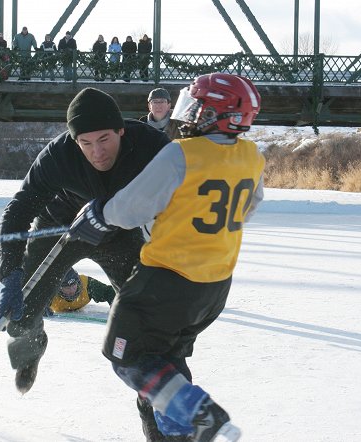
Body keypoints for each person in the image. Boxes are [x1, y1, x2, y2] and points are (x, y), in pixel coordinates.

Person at [66, 73, 265, 442]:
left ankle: (197, 413)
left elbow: (129, 208)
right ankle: (175, 436)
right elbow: (249, 207)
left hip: (164, 282)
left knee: (125, 355)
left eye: (195, 106)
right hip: (214, 289)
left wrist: (97, 215)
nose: (187, 114)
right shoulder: (251, 157)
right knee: (165, 361)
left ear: (211, 113)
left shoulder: (182, 153)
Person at [0, 88, 170, 411]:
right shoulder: (58, 156)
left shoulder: (151, 147)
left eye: (104, 139)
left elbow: (188, 195)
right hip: (61, 229)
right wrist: (11, 274)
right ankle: (31, 350)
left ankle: (154, 410)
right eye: (85, 143)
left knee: (148, 323)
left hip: (119, 232)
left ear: (121, 129)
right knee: (19, 317)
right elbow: (18, 211)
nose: (96, 152)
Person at [47, 267, 115, 314]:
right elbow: (36, 298)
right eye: (67, 288)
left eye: (74, 286)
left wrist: (114, 304)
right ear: (59, 288)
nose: (72, 291)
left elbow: (109, 291)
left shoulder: (87, 284)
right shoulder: (50, 290)